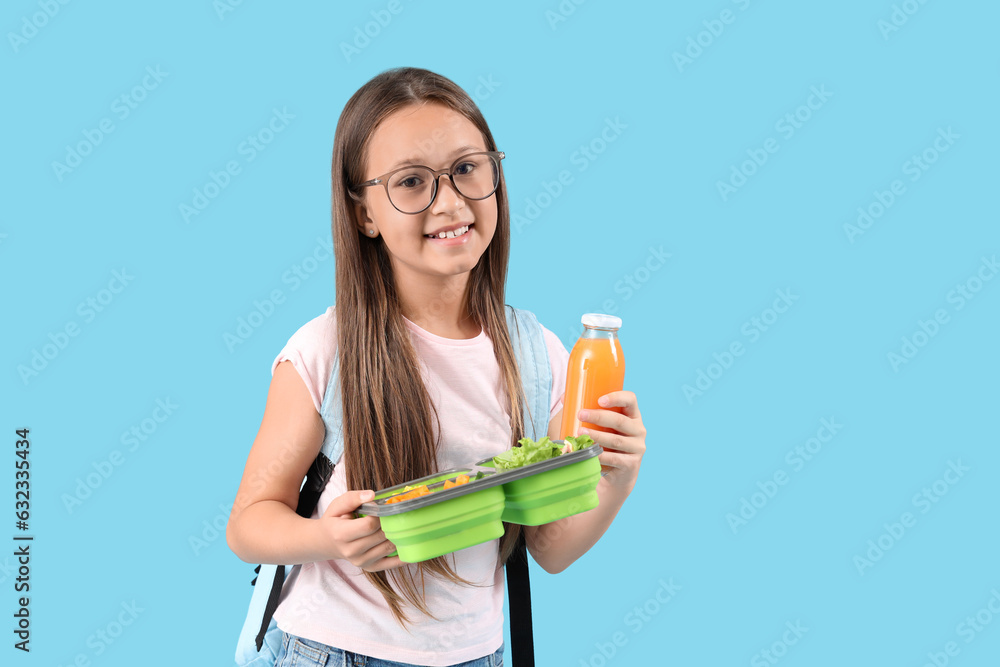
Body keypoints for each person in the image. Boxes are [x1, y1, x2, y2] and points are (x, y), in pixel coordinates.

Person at [226, 67, 647, 667]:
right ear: (365, 213)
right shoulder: (327, 349)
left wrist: (615, 477)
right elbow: (248, 523)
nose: (449, 202)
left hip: (477, 655)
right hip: (331, 651)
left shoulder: (538, 354)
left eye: (468, 169)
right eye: (412, 182)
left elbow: (549, 547)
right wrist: (330, 538)